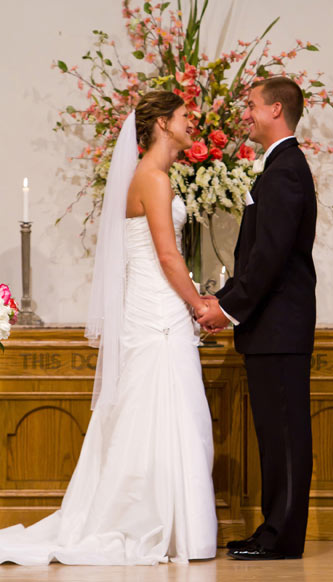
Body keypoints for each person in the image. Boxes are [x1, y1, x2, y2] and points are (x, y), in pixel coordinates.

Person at [0, 92, 217, 565]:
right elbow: (167, 255)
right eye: (184, 116)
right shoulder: (153, 179)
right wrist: (199, 303)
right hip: (158, 309)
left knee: (162, 407)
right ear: (161, 124)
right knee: (163, 406)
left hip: (152, 304)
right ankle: (157, 523)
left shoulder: (147, 177)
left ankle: (176, 524)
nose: (190, 123)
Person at [196, 77, 317, 561]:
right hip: (270, 328)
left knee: (285, 438)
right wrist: (224, 299)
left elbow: (268, 258)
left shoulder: (286, 170)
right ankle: (273, 529)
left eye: (251, 106)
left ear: (275, 111)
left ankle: (282, 538)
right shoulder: (279, 167)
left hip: (280, 327)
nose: (245, 114)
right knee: (274, 436)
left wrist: (225, 309)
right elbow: (259, 260)